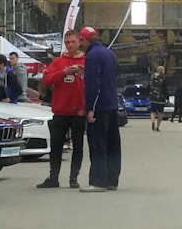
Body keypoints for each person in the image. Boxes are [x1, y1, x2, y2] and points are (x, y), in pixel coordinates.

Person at [38, 37, 86, 188]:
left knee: (78, 147)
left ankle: (74, 178)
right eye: (67, 42)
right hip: (60, 110)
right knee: (56, 146)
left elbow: (96, 81)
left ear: (79, 42)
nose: (70, 45)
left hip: (79, 111)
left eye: (73, 42)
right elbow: (47, 80)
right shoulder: (58, 61)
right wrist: (63, 72)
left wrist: (84, 72)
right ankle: (53, 178)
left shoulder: (86, 60)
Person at [80, 27, 121, 192]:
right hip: (112, 104)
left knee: (98, 144)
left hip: (100, 106)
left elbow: (93, 85)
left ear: (83, 40)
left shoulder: (91, 56)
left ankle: (98, 182)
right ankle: (112, 181)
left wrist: (90, 108)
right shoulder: (109, 53)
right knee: (113, 144)